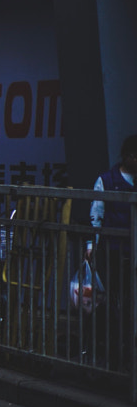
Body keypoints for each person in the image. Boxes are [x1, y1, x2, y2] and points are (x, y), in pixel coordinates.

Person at [83, 133, 137, 367]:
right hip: (115, 251)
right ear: (129, 156)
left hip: (132, 251)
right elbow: (97, 215)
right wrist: (91, 244)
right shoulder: (107, 180)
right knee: (115, 301)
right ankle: (116, 349)